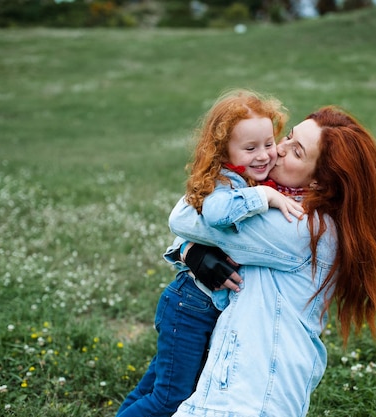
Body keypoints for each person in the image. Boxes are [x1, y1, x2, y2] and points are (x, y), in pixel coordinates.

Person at [168, 105, 376, 416]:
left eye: (296, 151)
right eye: (288, 137)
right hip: (243, 388)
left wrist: (188, 247)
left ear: (320, 182)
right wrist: (191, 248)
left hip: (249, 398)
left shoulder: (299, 226)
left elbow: (187, 216)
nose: (276, 150)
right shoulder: (288, 202)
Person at [116, 89, 302, 417]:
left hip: (198, 306)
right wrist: (263, 197)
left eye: (269, 143)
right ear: (223, 150)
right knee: (170, 399)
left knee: (155, 387)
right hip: (191, 307)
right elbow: (215, 213)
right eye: (250, 148)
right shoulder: (226, 182)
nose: (264, 156)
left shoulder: (250, 176)